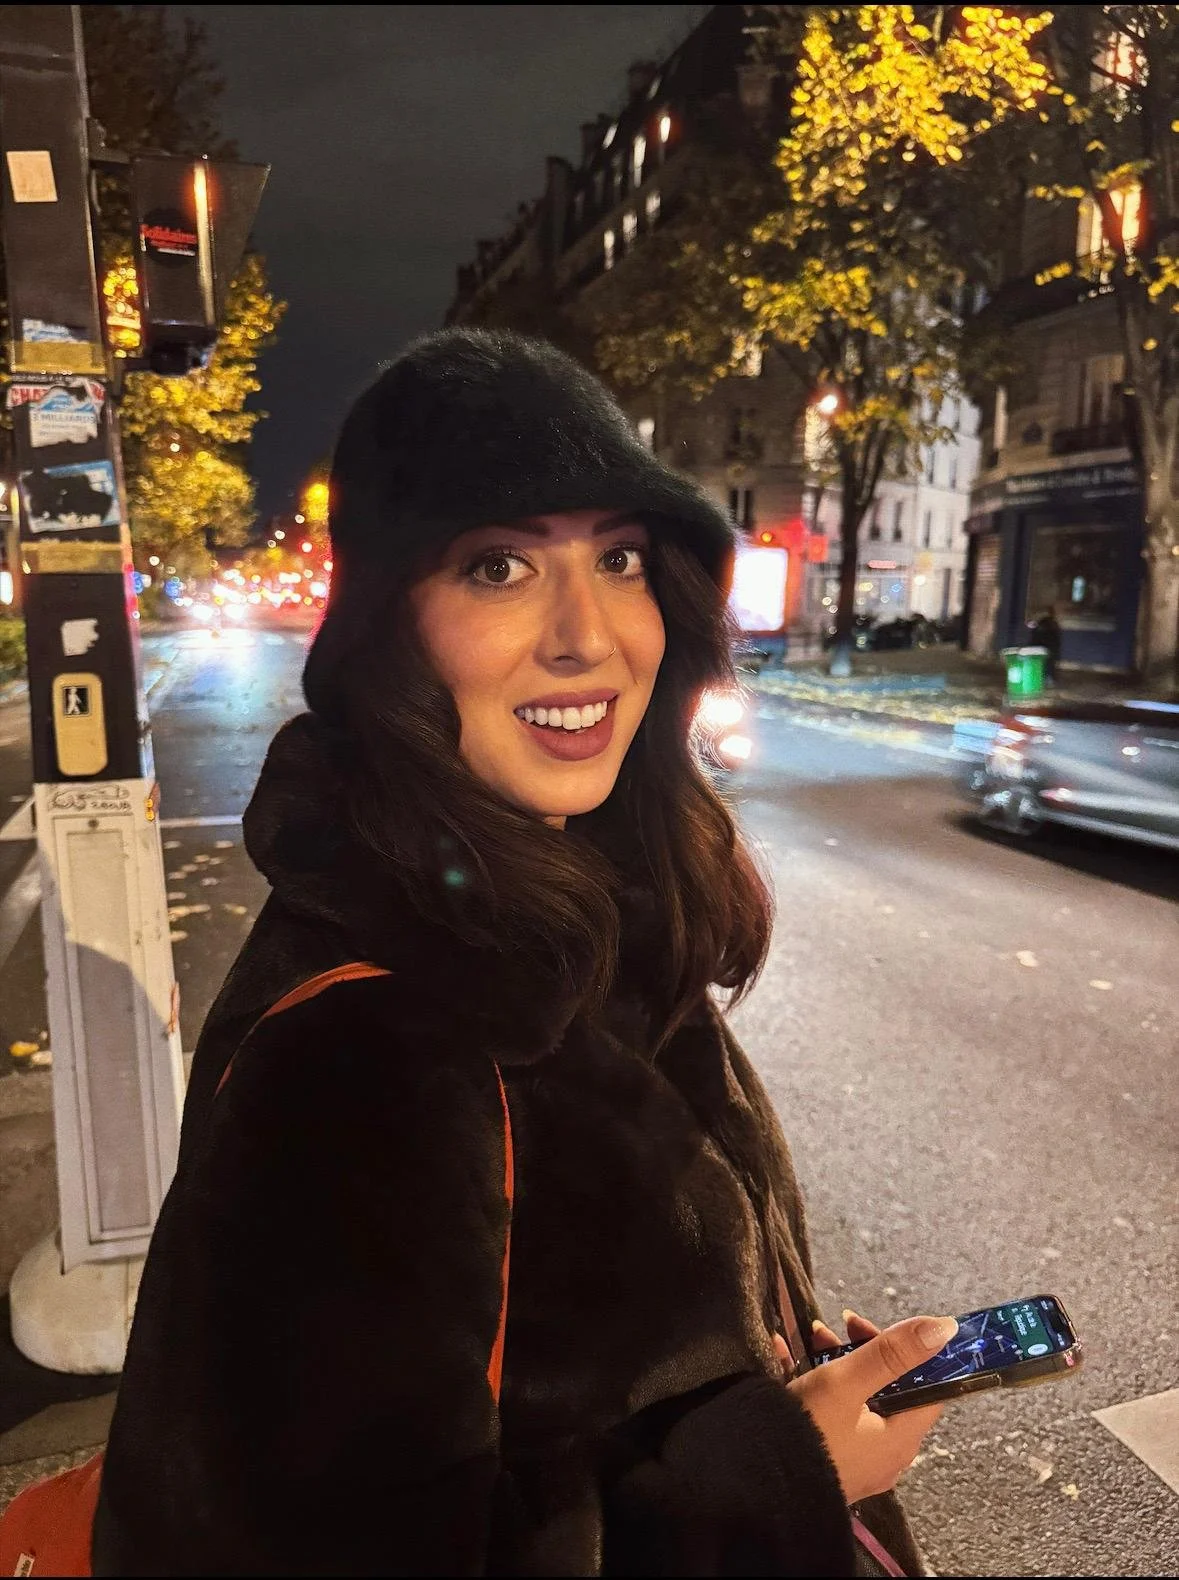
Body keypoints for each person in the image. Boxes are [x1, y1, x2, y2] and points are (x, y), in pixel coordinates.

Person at [94, 330, 957, 1576]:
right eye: (498, 565)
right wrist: (775, 1472)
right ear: (393, 630)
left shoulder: (581, 920)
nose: (588, 633)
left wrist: (774, 1377)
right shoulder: (367, 1051)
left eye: (618, 557)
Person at [1032, 605, 1062, 684]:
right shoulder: (1053, 624)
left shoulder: (1042, 624)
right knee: (1049, 664)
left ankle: (1044, 678)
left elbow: (1036, 637)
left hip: (1043, 648)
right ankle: (1048, 678)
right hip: (1050, 649)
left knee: (1045, 664)